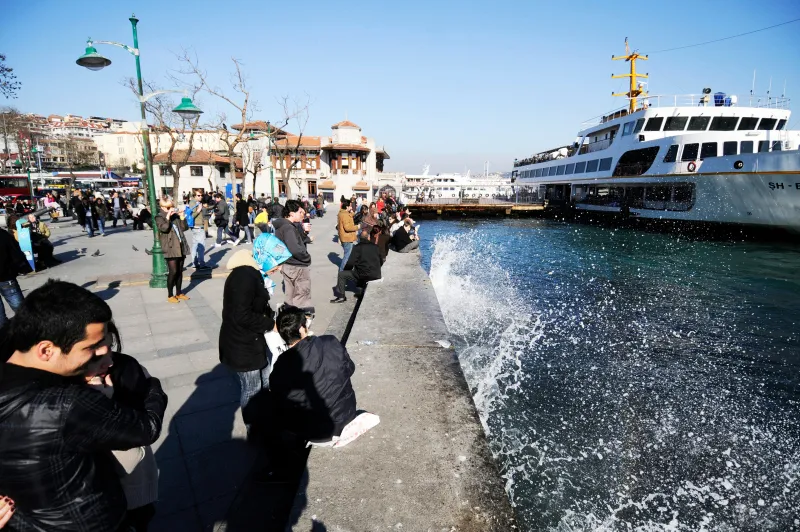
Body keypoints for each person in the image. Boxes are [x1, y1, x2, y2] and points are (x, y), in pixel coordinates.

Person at [0, 280, 168, 532]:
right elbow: (147, 428)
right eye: (91, 347)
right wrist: (152, 385)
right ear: (46, 350)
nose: (105, 353)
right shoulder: (66, 404)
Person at [83, 322, 159, 532]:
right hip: (100, 500)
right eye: (95, 356)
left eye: (110, 347)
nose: (108, 362)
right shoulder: (53, 400)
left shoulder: (124, 368)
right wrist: (98, 404)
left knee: (142, 515)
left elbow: (147, 422)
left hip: (136, 481)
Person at [269, 305, 357, 442]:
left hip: (316, 431)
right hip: (347, 414)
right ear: (302, 328)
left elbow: (278, 399)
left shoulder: (281, 364)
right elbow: (350, 368)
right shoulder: (330, 341)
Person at [219, 247, 282, 429]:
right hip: (241, 344)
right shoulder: (243, 276)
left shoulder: (251, 273)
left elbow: (257, 306)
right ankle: (253, 428)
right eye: (277, 262)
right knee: (251, 388)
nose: (278, 268)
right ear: (266, 257)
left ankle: (265, 419)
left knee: (265, 380)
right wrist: (271, 325)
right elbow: (241, 315)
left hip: (252, 340)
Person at [271, 200, 313, 313]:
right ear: (291, 213)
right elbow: (295, 249)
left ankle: (289, 322)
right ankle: (300, 325)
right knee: (301, 295)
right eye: (300, 212)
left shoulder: (282, 226)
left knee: (290, 295)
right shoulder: (288, 228)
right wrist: (307, 258)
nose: (302, 215)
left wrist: (304, 234)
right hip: (297, 265)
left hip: (287, 264)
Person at [331, 229, 382, 303]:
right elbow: (381, 261)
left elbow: (350, 263)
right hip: (376, 274)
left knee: (342, 274)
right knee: (361, 269)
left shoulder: (357, 247)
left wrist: (346, 270)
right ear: (368, 238)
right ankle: (360, 292)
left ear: (359, 239)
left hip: (363, 275)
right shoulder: (376, 247)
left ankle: (341, 296)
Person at [155, 198, 190, 303]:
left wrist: (182, 216)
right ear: (162, 207)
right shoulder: (159, 217)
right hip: (170, 247)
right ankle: (170, 295)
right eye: (168, 207)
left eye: (171, 207)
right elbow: (164, 228)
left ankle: (179, 293)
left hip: (180, 245)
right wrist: (168, 217)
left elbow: (184, 228)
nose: (171, 209)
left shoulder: (175, 216)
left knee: (179, 271)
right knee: (173, 272)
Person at [0, 227, 27, 328]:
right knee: (21, 309)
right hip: (6, 277)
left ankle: (3, 333)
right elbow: (17, 254)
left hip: (7, 277)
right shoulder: (4, 234)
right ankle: (31, 330)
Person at [189, 191, 210, 269]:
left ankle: (195, 263)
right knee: (201, 246)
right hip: (197, 227)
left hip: (195, 227)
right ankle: (201, 264)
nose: (200, 197)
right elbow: (192, 215)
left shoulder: (195, 202)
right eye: (198, 195)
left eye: (201, 195)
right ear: (194, 196)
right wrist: (199, 209)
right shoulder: (194, 203)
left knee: (195, 245)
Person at [337, 199, 358, 272]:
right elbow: (347, 227)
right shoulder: (345, 215)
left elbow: (347, 218)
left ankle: (345, 270)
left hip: (344, 237)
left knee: (347, 255)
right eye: (350, 206)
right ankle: (342, 272)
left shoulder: (342, 213)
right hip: (347, 238)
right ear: (347, 207)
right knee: (347, 256)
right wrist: (357, 227)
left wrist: (352, 213)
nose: (351, 208)